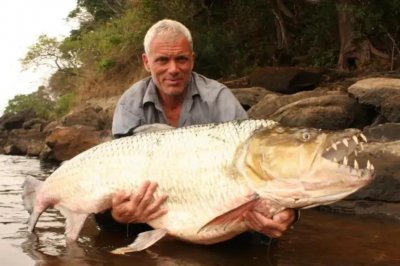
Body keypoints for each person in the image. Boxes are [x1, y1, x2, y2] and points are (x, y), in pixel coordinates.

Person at [96, 19, 298, 241]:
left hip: (213, 201)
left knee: (260, 233)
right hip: (154, 205)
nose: (173, 69)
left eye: (181, 59)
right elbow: (114, 173)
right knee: (107, 222)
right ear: (147, 62)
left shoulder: (219, 98)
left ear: (192, 59)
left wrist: (288, 211)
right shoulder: (130, 104)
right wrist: (117, 214)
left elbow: (260, 165)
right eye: (162, 60)